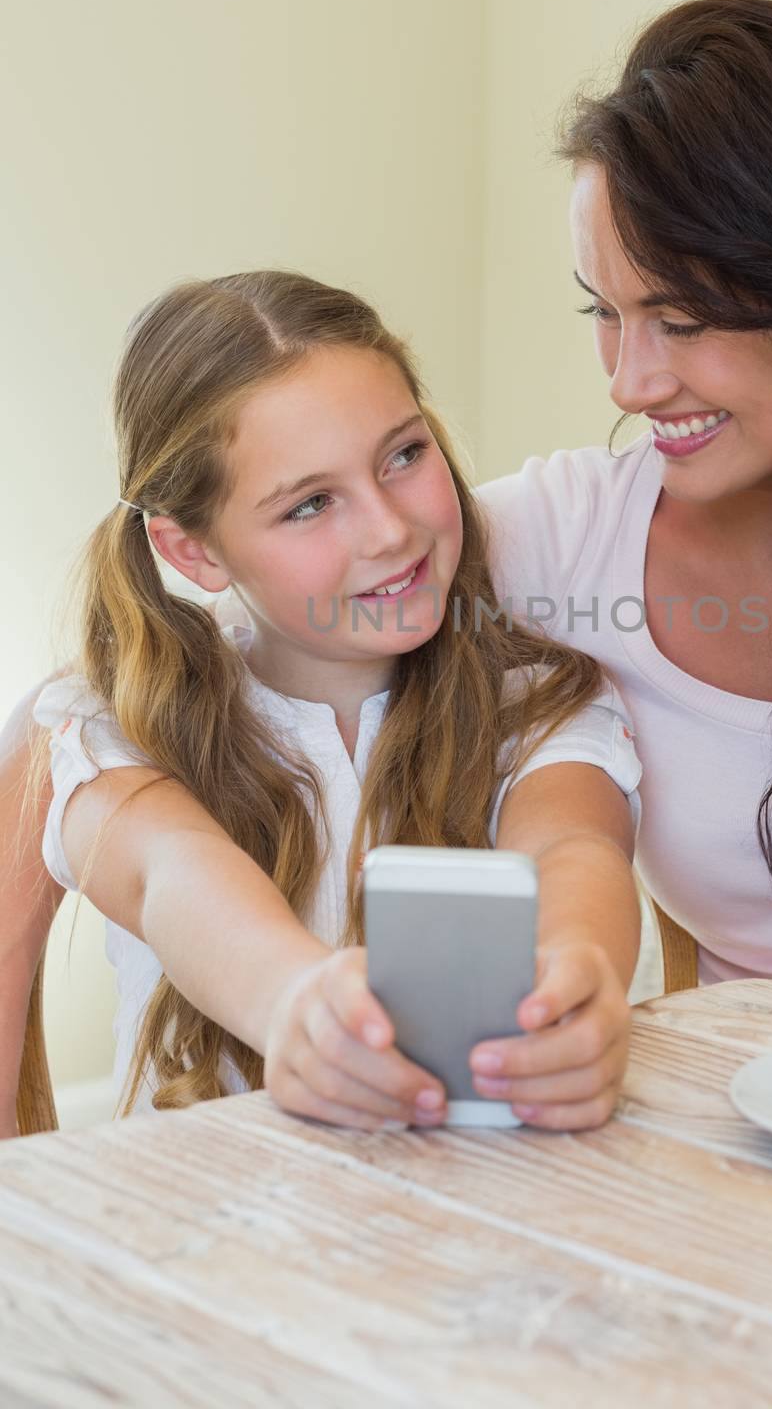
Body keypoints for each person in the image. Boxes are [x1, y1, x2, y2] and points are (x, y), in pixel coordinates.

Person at [6, 0, 772, 1128]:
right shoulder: (564, 537)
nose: (628, 381)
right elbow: (133, 711)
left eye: (683, 318)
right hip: (752, 1121)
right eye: (603, 313)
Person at [10, 270, 643, 1133]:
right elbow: (172, 873)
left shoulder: (533, 701)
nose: (389, 530)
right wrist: (294, 1003)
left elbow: (572, 845)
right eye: (309, 505)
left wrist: (576, 973)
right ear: (193, 552)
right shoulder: (118, 726)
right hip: (198, 1243)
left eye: (404, 455)